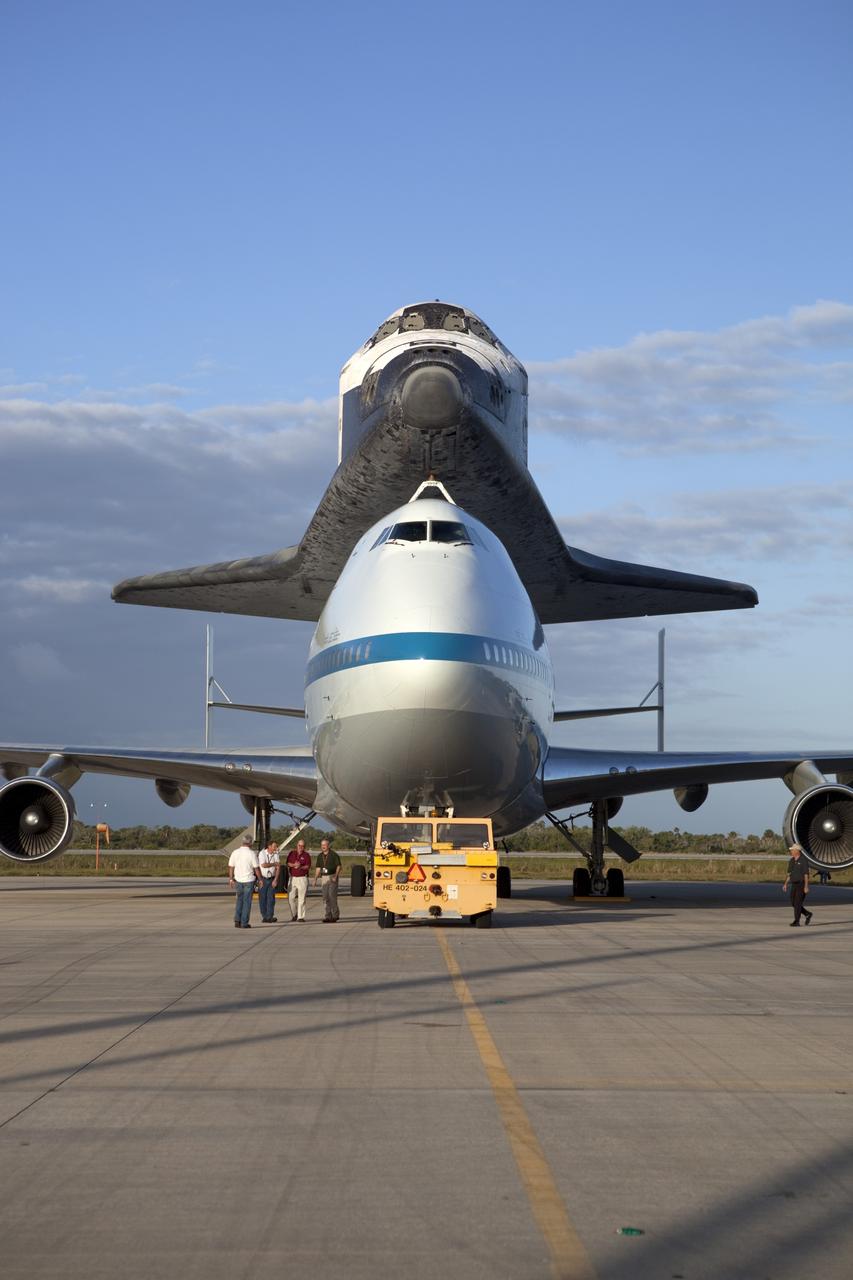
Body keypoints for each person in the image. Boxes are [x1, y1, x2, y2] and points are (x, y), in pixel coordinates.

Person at [228, 839, 262, 928]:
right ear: (250, 843)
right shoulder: (251, 853)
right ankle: (244, 923)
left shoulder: (235, 852)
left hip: (238, 880)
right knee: (247, 902)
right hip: (248, 880)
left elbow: (231, 867)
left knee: (239, 900)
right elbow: (256, 868)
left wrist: (231, 879)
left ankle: (237, 920)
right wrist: (260, 879)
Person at [783, 844, 813, 927]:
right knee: (793, 902)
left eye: (792, 850)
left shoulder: (803, 860)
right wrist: (785, 884)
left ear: (797, 851)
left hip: (801, 884)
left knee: (797, 903)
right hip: (794, 884)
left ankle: (797, 921)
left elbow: (806, 874)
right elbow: (789, 874)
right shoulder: (792, 860)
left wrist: (806, 886)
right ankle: (807, 914)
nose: (791, 851)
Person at [313, 838, 341, 923]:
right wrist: (315, 879)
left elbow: (338, 866)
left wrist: (335, 876)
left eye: (324, 845)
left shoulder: (333, 855)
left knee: (332, 896)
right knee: (325, 897)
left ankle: (335, 915)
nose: (323, 847)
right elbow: (318, 868)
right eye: (322, 845)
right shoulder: (320, 856)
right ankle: (328, 916)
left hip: (332, 876)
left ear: (328, 846)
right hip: (324, 877)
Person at [286, 839, 311, 921]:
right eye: (299, 845)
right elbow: (288, 863)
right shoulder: (292, 853)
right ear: (297, 845)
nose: (301, 847)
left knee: (302, 899)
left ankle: (301, 917)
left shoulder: (306, 855)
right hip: (292, 878)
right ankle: (294, 914)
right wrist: (294, 865)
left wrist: (300, 866)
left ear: (304, 847)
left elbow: (308, 866)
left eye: (302, 846)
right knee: (291, 898)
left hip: (302, 878)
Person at [258, 840, 280, 923]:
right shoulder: (262, 853)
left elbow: (278, 867)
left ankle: (270, 916)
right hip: (263, 879)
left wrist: (276, 880)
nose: (276, 848)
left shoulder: (276, 854)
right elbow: (263, 865)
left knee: (271, 899)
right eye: (274, 846)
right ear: (269, 846)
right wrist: (274, 864)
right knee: (262, 899)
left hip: (272, 879)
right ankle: (264, 916)